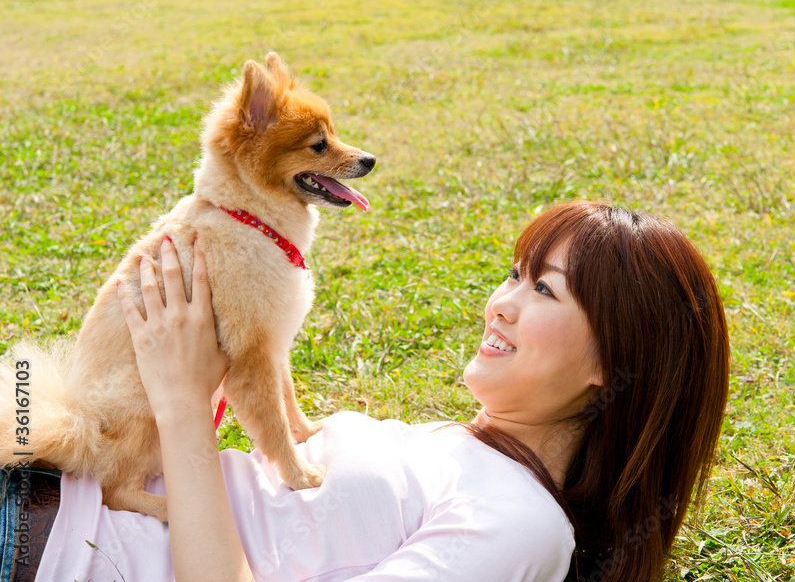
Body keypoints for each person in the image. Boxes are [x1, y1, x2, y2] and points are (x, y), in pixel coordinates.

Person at [1, 200, 730, 582]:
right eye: (513, 274)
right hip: (41, 475)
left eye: (544, 289)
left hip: (40, 548)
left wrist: (186, 405)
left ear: (618, 361)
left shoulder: (524, 525)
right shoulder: (447, 444)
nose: (500, 303)